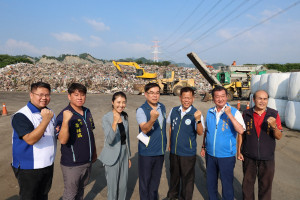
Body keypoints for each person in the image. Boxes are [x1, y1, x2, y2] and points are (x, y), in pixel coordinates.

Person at [11, 82, 56, 200]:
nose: (44, 98)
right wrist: (45, 120)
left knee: (43, 196)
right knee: (29, 197)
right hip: (29, 167)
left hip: (47, 164)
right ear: (31, 95)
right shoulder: (21, 115)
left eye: (47, 95)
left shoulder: (50, 113)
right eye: (40, 94)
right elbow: (30, 140)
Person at [200, 86, 245, 200]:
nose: (220, 99)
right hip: (210, 155)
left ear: (227, 97)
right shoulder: (210, 112)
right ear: (213, 98)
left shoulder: (235, 112)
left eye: (222, 96)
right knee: (211, 182)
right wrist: (203, 146)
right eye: (217, 96)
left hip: (226, 156)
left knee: (227, 184)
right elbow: (207, 131)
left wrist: (229, 114)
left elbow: (241, 130)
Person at [237, 90, 283, 200]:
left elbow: (279, 136)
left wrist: (274, 127)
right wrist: (238, 151)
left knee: (266, 186)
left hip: (267, 157)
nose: (262, 101)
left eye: (265, 99)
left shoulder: (274, 114)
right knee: (247, 185)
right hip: (249, 155)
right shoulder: (246, 114)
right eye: (259, 98)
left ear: (267, 100)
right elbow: (241, 134)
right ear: (253, 100)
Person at [55, 83, 97, 200]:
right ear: (69, 96)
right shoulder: (64, 115)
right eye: (76, 95)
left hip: (87, 161)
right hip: (72, 164)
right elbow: (62, 140)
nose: (80, 98)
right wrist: (65, 121)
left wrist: (94, 152)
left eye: (82, 95)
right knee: (70, 194)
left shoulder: (87, 111)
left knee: (81, 190)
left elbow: (90, 133)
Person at [166, 87, 205, 200]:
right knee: (174, 177)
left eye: (189, 98)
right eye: (184, 98)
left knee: (187, 180)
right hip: (174, 151)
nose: (186, 100)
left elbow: (200, 132)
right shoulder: (174, 110)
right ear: (180, 98)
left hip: (187, 153)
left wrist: (197, 120)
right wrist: (170, 144)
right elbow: (171, 129)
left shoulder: (196, 113)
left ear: (193, 99)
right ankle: (172, 196)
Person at [136, 82, 167, 200]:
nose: (155, 96)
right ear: (145, 94)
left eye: (157, 93)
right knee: (145, 184)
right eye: (151, 93)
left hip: (160, 151)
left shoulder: (162, 107)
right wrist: (153, 119)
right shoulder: (141, 110)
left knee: (155, 184)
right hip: (147, 153)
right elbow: (144, 129)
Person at [99, 91, 131, 200]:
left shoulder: (125, 117)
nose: (121, 105)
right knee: (112, 187)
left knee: (123, 185)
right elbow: (109, 140)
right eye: (118, 102)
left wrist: (129, 156)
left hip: (124, 154)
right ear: (112, 102)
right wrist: (114, 123)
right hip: (112, 154)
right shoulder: (106, 118)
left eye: (123, 102)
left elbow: (127, 139)